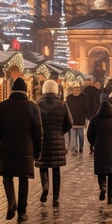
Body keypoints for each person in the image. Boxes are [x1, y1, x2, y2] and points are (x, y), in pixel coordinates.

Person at [0, 77, 42, 222]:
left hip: (7, 146)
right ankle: (22, 212)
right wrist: (38, 151)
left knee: (7, 176)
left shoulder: (3, 106)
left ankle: (11, 201)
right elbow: (38, 131)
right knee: (23, 179)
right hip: (26, 147)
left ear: (12, 90)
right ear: (26, 91)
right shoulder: (33, 107)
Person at [35, 79, 73, 207]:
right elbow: (70, 123)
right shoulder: (62, 104)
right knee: (56, 170)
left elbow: (34, 123)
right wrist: (60, 132)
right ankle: (56, 198)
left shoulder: (38, 104)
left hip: (42, 140)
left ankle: (45, 186)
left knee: (43, 166)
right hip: (57, 140)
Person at [87, 99, 112, 204]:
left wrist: (94, 143)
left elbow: (90, 135)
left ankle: (102, 186)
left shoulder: (95, 119)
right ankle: (110, 198)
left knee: (101, 171)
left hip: (100, 148)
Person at [65, 83, 89, 154]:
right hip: (72, 120)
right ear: (73, 90)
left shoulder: (83, 97)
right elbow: (67, 108)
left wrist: (87, 117)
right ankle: (74, 149)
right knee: (73, 136)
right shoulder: (69, 98)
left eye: (78, 90)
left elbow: (86, 108)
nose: (77, 91)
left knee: (81, 135)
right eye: (76, 90)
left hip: (81, 119)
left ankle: (81, 147)